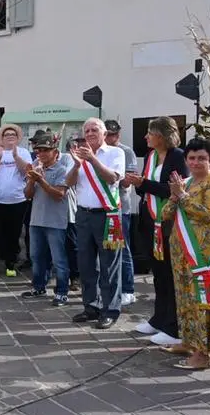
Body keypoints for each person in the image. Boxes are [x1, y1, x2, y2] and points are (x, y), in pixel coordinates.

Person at [160, 138, 210, 370]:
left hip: (204, 254)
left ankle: (203, 354)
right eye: (192, 158)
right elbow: (166, 214)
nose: (196, 162)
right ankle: (189, 341)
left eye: (202, 158)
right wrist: (174, 195)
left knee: (202, 300)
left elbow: (208, 214)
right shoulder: (186, 182)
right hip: (181, 252)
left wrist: (182, 196)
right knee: (184, 298)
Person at [123, 116, 188, 346]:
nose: (146, 137)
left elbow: (174, 189)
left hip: (168, 223)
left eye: (150, 133)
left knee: (169, 275)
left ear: (161, 136)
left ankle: (173, 325)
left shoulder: (178, 157)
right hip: (150, 220)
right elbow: (147, 190)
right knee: (158, 274)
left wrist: (143, 184)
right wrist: (138, 184)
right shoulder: (151, 156)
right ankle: (159, 319)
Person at [65, 118, 126, 329]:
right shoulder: (79, 155)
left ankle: (110, 310)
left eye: (94, 130)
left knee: (110, 265)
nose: (90, 133)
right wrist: (76, 165)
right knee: (86, 264)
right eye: (87, 130)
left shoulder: (115, 153)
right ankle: (91, 306)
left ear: (104, 133)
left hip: (108, 215)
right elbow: (69, 183)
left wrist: (92, 159)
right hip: (83, 216)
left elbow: (112, 178)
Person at [22, 131, 73, 306]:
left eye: (45, 150)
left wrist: (41, 180)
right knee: (36, 256)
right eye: (38, 151)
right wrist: (31, 180)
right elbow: (27, 195)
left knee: (58, 259)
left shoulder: (62, 170)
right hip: (36, 220)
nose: (41, 154)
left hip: (55, 222)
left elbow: (59, 194)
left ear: (54, 152)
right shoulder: (36, 166)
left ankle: (61, 292)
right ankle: (38, 286)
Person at [0, 124, 32, 278]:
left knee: (14, 233)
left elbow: (28, 171)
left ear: (17, 138)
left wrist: (17, 157)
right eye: (6, 135)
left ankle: (10, 264)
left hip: (18, 200)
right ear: (1, 139)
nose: (10, 136)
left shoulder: (24, 152)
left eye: (13, 134)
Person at [104, 120, 138, 306]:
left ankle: (128, 289)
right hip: (102, 209)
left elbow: (127, 181)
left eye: (113, 134)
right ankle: (110, 288)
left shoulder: (125, 151)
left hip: (120, 209)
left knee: (123, 250)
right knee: (106, 251)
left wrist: (111, 172)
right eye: (107, 134)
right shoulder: (97, 151)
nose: (110, 138)